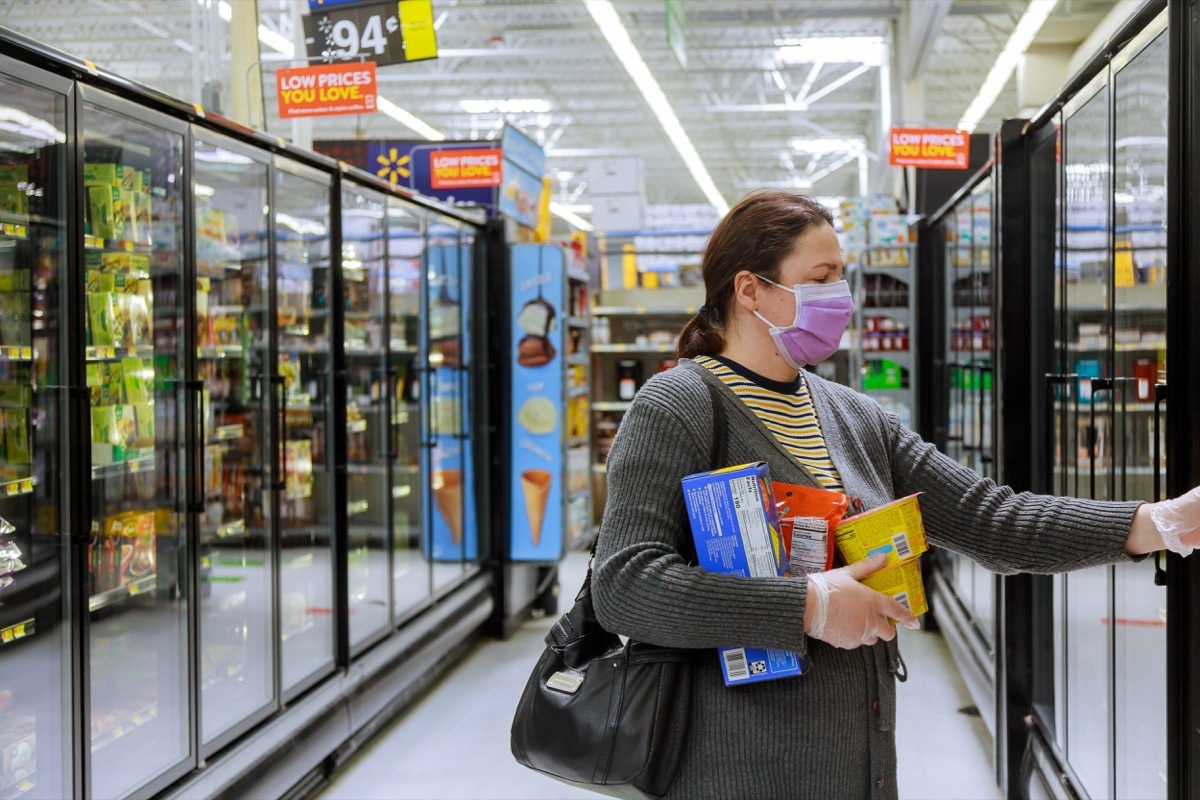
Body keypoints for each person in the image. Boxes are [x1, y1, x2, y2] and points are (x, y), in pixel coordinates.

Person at [589, 189, 1200, 800]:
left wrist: (1156, 523)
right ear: (750, 291)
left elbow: (987, 518)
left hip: (859, 762)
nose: (842, 298)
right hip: (735, 769)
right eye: (822, 277)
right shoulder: (677, 407)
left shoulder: (853, 415)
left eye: (843, 277)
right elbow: (625, 585)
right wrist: (808, 606)